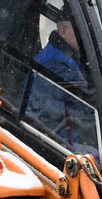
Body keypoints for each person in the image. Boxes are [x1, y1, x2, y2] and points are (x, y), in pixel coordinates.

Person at [27, 9, 95, 153]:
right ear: (63, 31)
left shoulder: (70, 57)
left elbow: (93, 94)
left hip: (64, 133)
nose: (88, 37)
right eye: (82, 31)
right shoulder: (54, 65)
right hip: (50, 141)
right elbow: (83, 106)